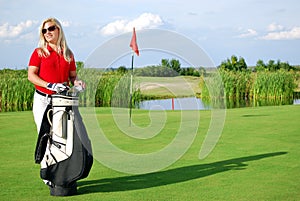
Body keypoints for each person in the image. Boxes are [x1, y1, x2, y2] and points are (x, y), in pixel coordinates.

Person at [27, 17, 84, 187]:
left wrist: (77, 82)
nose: (47, 33)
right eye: (44, 31)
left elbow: (73, 77)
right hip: (43, 100)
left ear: (58, 29)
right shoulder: (39, 52)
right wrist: (50, 85)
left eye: (50, 29)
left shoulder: (68, 54)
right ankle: (47, 175)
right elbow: (31, 76)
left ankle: (61, 171)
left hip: (62, 102)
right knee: (46, 136)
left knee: (62, 138)